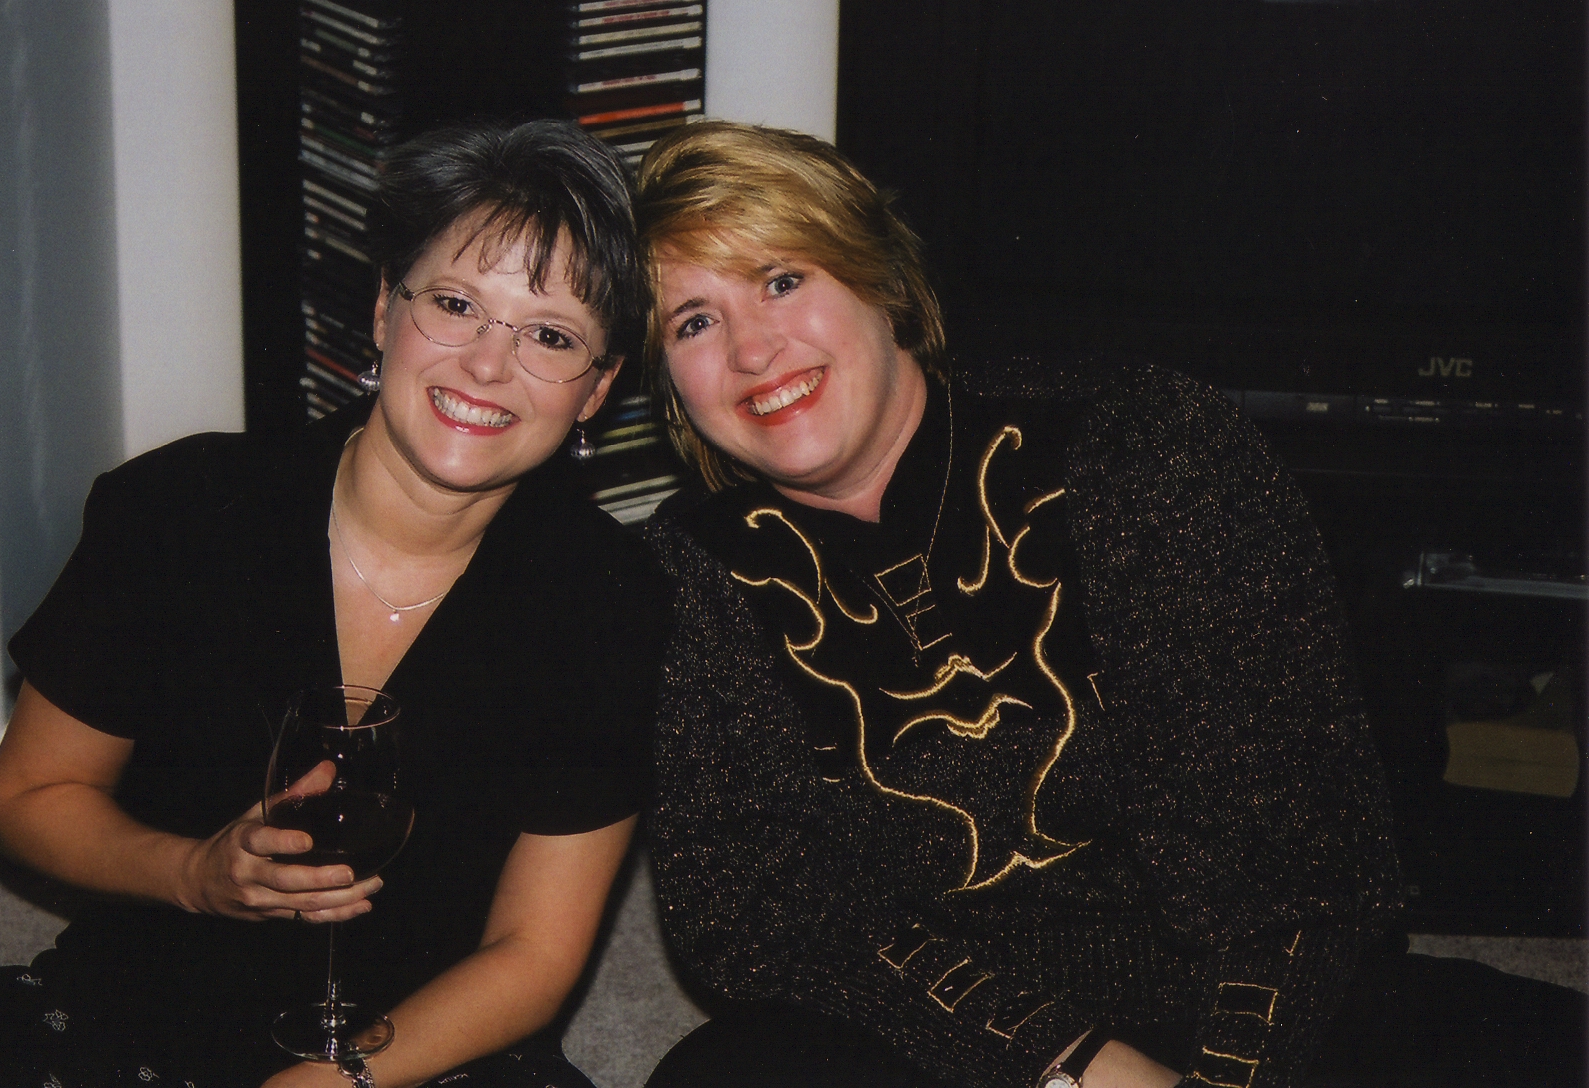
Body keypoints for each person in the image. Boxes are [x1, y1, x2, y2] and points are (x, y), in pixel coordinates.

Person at [630, 121, 1585, 1088]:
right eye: (693, 322)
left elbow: (1295, 869)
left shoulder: (1139, 446)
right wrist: (1070, 1065)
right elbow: (754, 918)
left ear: (882, 283)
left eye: (782, 280)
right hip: (952, 1041)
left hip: (1260, 1007)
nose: (753, 349)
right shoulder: (689, 572)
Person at [0, 120, 669, 1088]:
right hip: (142, 1011)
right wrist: (194, 874)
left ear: (595, 389)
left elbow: (534, 954)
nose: (485, 364)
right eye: (456, 304)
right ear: (384, 308)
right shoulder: (182, 506)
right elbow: (30, 799)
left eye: (550, 336)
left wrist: (334, 1081)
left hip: (419, 1055)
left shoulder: (607, 599)